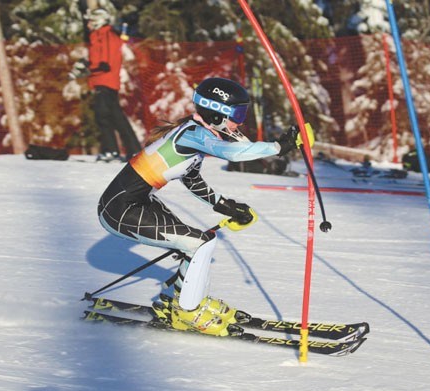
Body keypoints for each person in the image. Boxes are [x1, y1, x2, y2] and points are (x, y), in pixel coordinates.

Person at [97, 77, 306, 337]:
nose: (239, 122)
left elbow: (192, 178)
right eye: (237, 114)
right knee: (199, 244)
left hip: (138, 203)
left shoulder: (197, 133)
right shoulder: (192, 134)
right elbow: (233, 153)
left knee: (197, 243)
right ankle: (187, 312)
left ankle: (182, 302)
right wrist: (279, 146)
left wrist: (225, 206)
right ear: (216, 113)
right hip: (119, 209)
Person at [85, 6, 141, 162]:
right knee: (114, 116)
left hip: (106, 81)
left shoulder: (107, 35)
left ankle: (112, 150)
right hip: (100, 81)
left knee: (104, 116)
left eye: (91, 20)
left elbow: (106, 63)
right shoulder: (97, 36)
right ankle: (131, 150)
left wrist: (90, 68)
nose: (89, 23)